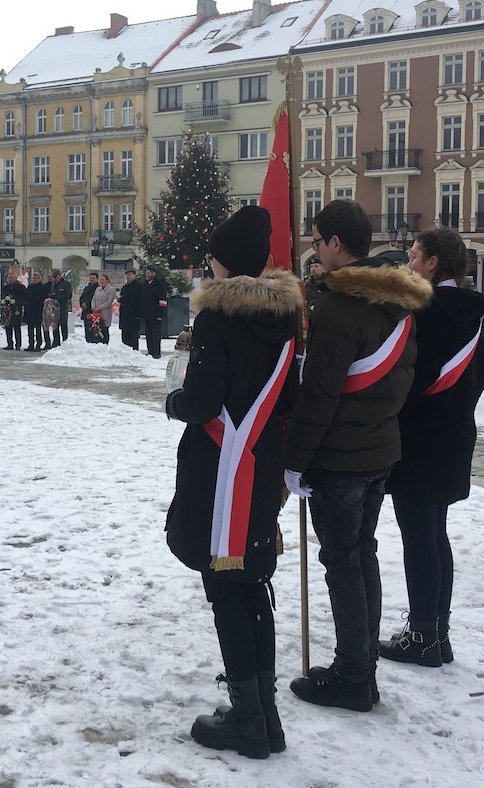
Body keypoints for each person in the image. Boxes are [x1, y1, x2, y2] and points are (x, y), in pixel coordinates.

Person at [163, 205, 304, 759]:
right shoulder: (288, 317)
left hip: (221, 470)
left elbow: (201, 401)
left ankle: (248, 721)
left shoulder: (218, 318)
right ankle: (263, 713)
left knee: (225, 590)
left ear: (222, 264)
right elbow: (289, 396)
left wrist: (174, 401)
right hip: (263, 463)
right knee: (253, 587)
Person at [283, 199, 431, 713]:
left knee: (344, 564)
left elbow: (322, 392)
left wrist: (295, 460)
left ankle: (352, 676)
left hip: (340, 454)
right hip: (377, 447)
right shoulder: (395, 301)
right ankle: (360, 668)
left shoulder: (340, 306)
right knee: (361, 558)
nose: (314, 249)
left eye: (318, 240)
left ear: (337, 244)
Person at [381, 228, 484, 668]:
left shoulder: (426, 312)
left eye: (413, 256)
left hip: (420, 435)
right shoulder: (469, 311)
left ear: (433, 263)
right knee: (434, 532)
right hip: (453, 430)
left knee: (418, 536)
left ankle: (423, 635)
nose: (408, 263)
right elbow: (480, 371)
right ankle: (436, 632)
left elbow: (409, 375)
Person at [140, 265, 167, 358]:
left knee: (156, 334)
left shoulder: (159, 285)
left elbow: (162, 300)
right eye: (146, 273)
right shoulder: (145, 284)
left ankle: (156, 352)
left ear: (153, 274)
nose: (147, 275)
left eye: (149, 273)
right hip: (147, 314)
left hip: (156, 314)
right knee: (148, 333)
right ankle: (150, 351)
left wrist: (160, 313)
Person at [0, 266, 25, 350]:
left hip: (16, 310)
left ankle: (18, 344)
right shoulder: (6, 287)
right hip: (7, 310)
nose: (9, 279)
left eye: (11, 277)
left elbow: (22, 298)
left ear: (15, 278)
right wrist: (4, 303)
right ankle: (9, 343)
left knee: (16, 327)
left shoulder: (21, 287)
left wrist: (15, 303)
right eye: (8, 278)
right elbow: (3, 296)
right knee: (8, 327)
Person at [46, 268, 73, 347]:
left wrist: (58, 297)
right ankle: (56, 342)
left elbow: (69, 295)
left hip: (63, 307)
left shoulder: (66, 284)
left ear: (60, 276)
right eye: (53, 277)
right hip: (54, 307)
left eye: (55, 277)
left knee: (63, 325)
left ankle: (65, 341)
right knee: (55, 325)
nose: (54, 279)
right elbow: (51, 292)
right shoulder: (53, 284)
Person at [118, 268, 143, 350]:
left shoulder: (138, 287)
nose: (128, 277)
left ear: (134, 275)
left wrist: (138, 314)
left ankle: (134, 351)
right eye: (127, 275)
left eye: (130, 275)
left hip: (133, 315)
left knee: (133, 336)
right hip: (125, 315)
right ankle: (125, 351)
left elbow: (140, 301)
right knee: (125, 336)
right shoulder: (125, 287)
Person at [23, 271, 48, 351]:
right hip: (29, 310)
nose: (34, 280)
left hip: (37, 310)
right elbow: (26, 295)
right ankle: (31, 344)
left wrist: (32, 302)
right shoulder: (30, 287)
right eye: (33, 278)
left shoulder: (42, 288)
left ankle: (38, 344)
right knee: (30, 329)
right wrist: (26, 302)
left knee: (38, 328)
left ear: (39, 279)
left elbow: (41, 298)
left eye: (35, 278)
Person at [91, 272, 118, 345]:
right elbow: (93, 299)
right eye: (100, 279)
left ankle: (105, 343)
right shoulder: (98, 289)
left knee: (104, 329)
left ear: (107, 280)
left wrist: (99, 307)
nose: (101, 281)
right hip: (96, 313)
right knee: (97, 329)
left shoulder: (110, 289)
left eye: (103, 279)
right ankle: (97, 342)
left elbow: (109, 301)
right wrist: (93, 307)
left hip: (105, 312)